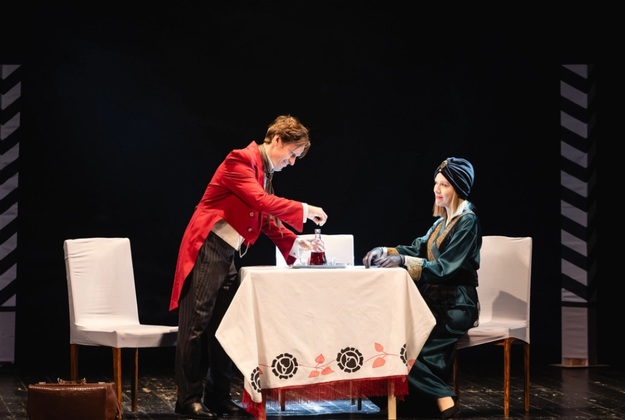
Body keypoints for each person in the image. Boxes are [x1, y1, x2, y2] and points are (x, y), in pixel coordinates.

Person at [169, 115, 328, 419]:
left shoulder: (263, 171)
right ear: (277, 140)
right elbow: (261, 202)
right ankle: (187, 399)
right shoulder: (240, 160)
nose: (292, 162)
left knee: (224, 328)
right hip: (208, 247)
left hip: (226, 253)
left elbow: (264, 218)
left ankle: (217, 396)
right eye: (292, 153)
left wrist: (296, 244)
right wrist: (305, 210)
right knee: (196, 326)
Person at [363, 157, 481, 419]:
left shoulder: (467, 222)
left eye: (444, 185)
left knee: (403, 352)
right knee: (391, 342)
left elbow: (445, 268)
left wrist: (403, 262)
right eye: (436, 183)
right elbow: (417, 248)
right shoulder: (441, 222)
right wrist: (385, 251)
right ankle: (431, 401)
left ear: (458, 188)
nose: (437, 189)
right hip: (433, 302)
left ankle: (444, 399)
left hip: (457, 305)